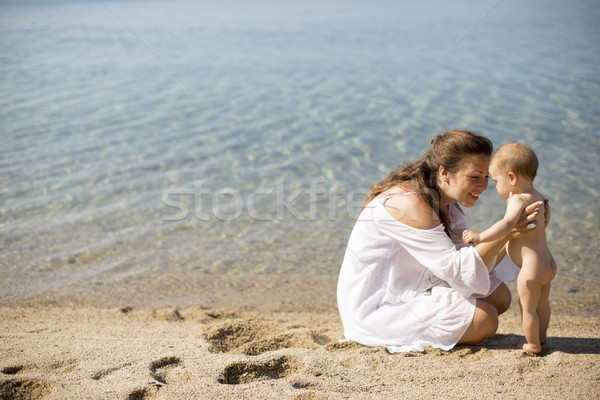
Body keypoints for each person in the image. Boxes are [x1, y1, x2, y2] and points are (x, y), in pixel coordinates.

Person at [337, 130, 546, 353]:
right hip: (376, 307)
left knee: (500, 297)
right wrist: (508, 231)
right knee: (485, 320)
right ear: (445, 173)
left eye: (487, 177)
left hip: (412, 284)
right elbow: (459, 269)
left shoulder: (446, 203)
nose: (484, 187)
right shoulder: (412, 205)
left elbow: (468, 259)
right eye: (474, 177)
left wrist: (518, 232)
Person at [462, 143, 556, 353]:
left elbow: (506, 225)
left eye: (496, 181)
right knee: (542, 304)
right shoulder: (539, 197)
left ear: (512, 178)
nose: (494, 186)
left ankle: (532, 344)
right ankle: (542, 337)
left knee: (528, 307)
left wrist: (480, 236)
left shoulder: (517, 198)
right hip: (548, 262)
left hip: (531, 268)